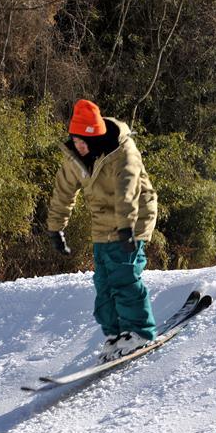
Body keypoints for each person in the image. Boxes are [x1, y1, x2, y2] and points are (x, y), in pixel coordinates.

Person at [46, 99, 160, 363]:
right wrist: (56, 229)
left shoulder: (124, 152)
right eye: (75, 140)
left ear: (96, 137)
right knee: (103, 283)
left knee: (124, 275)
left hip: (134, 218)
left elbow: (127, 192)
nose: (79, 146)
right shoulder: (76, 157)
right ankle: (116, 334)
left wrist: (127, 229)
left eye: (83, 141)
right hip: (102, 223)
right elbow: (63, 192)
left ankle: (140, 331)